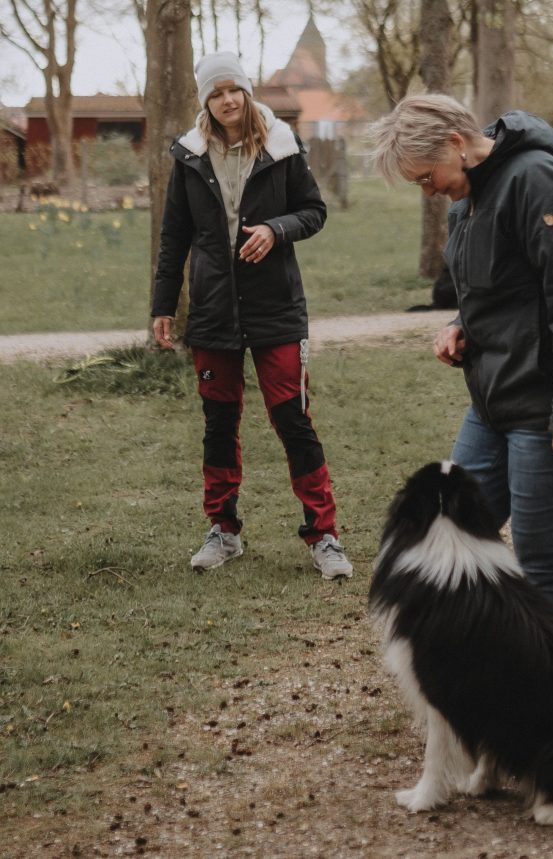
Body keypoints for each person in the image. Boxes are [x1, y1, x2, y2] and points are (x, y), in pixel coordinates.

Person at [368, 94, 553, 651]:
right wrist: (460, 324)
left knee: (547, 559)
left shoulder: (536, 180)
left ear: (454, 144)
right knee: (452, 531)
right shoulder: (467, 195)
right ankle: (496, 668)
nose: (430, 191)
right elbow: (500, 287)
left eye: (427, 177)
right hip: (495, 401)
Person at [151, 51, 353, 579]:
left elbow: (314, 211)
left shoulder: (283, 148)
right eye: (215, 94)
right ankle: (224, 531)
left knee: (293, 418)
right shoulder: (190, 155)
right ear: (206, 100)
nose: (227, 101)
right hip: (214, 311)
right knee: (219, 423)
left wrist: (275, 229)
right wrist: (162, 306)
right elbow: (174, 238)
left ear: (247, 90)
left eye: (233, 90)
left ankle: (324, 535)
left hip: (276, 308)